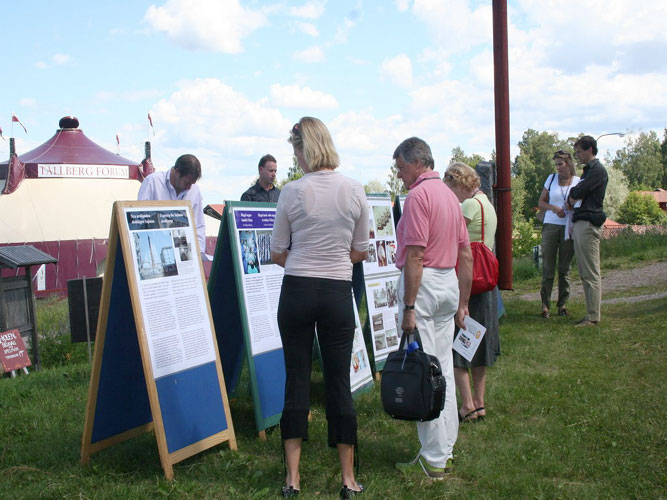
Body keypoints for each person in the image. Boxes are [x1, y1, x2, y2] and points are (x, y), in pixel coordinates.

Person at [271, 117, 368, 499]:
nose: (295, 159)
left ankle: (293, 479)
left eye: (296, 151)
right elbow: (360, 250)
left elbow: (278, 251)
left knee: (296, 379)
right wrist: (334, 259)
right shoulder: (354, 189)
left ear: (304, 150)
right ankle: (348, 479)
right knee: (338, 382)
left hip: (296, 290)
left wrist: (304, 259)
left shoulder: (291, 191)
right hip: (337, 292)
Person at [392, 138, 473, 479]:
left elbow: (415, 255)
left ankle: (433, 458)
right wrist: (463, 302)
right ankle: (445, 449)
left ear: (417, 163)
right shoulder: (450, 197)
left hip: (424, 285)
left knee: (424, 372)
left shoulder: (418, 196)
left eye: (401, 168)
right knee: (442, 369)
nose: (399, 175)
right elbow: (466, 254)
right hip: (448, 283)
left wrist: (409, 306)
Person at [444, 162, 499, 424]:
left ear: (457, 182)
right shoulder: (486, 203)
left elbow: (451, 238)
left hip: (468, 281)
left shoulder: (468, 205)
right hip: (485, 281)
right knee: (478, 345)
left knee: (460, 346)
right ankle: (479, 402)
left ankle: (467, 405)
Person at [566, 136, 608, 327]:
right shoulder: (588, 171)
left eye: (580, 152)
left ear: (590, 149)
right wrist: (574, 194)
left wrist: (575, 194)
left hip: (589, 223)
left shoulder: (597, 171)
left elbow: (577, 192)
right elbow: (574, 193)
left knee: (590, 271)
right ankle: (590, 313)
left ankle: (592, 316)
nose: (578, 156)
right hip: (582, 222)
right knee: (584, 270)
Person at [137, 154, 208, 259]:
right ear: (177, 172)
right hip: (154, 248)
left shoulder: (195, 190)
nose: (189, 187)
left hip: (182, 247)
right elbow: (139, 219)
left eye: (192, 184)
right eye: (187, 183)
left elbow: (198, 225)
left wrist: (199, 254)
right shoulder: (152, 182)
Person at [538, 151, 580, 318]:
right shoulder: (551, 179)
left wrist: (570, 207)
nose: (558, 168)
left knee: (564, 268)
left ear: (568, 164)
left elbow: (580, 202)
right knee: (548, 267)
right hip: (551, 224)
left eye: (560, 164)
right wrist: (553, 208)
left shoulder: (577, 181)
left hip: (568, 226)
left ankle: (562, 304)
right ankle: (545, 305)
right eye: (556, 164)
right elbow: (541, 202)